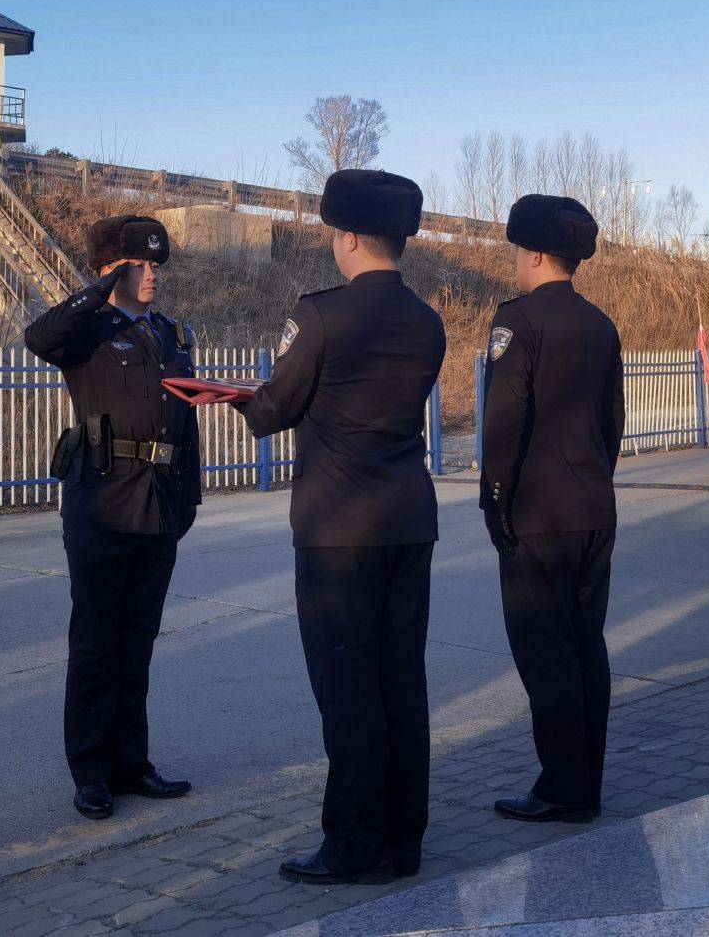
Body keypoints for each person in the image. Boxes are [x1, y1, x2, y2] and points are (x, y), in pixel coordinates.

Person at [238, 169, 446, 885]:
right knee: (401, 682)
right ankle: (404, 839)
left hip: (338, 529)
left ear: (349, 237)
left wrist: (244, 398)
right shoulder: (427, 319)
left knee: (349, 689)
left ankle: (355, 845)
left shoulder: (320, 314)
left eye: (334, 232)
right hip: (408, 519)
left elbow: (274, 409)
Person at [23, 214, 201, 821]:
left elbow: (187, 418)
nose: (153, 276)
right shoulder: (87, 331)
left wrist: (191, 497)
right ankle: (91, 772)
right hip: (101, 501)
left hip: (159, 501)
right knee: (97, 644)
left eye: (156, 265)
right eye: (140, 265)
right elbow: (39, 338)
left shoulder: (171, 334)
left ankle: (133, 763)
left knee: (138, 642)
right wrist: (98, 288)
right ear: (113, 269)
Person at [480, 193, 624, 824]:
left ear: (534, 252)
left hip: (538, 514)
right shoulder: (600, 324)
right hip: (594, 507)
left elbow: (504, 422)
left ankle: (561, 788)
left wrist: (495, 500)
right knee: (586, 644)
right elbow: (612, 424)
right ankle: (583, 781)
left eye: (518, 249)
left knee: (545, 651)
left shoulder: (519, 321)